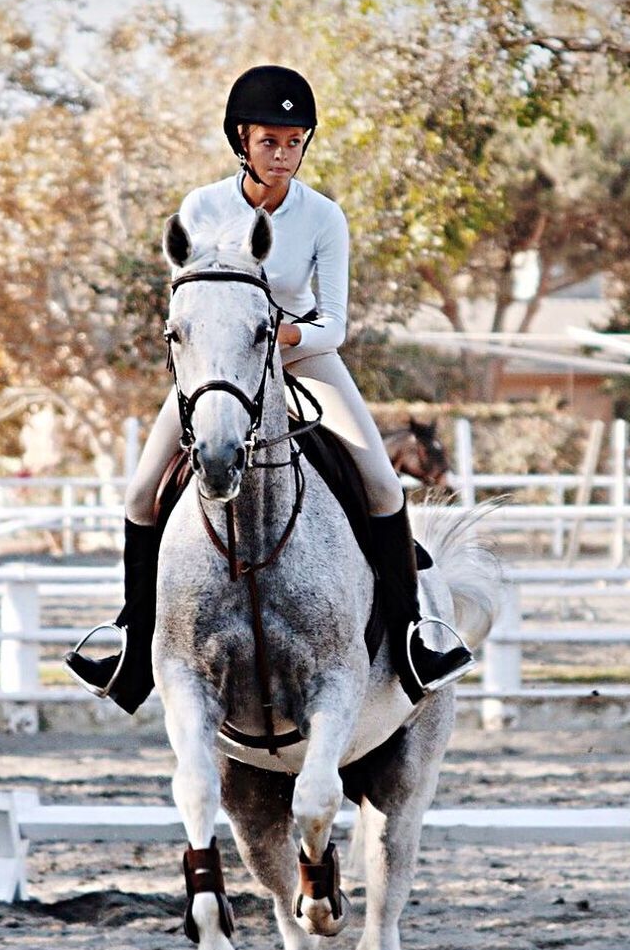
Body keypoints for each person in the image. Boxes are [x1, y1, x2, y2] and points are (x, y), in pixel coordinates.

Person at [66, 65, 474, 712]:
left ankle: (414, 637)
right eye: (269, 142)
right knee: (142, 491)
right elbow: (190, 300)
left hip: (303, 357)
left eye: (293, 142)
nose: (282, 155)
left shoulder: (323, 217)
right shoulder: (202, 208)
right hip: (222, 369)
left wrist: (281, 335)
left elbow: (333, 323)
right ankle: (131, 640)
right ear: (241, 140)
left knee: (382, 482)